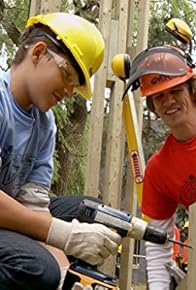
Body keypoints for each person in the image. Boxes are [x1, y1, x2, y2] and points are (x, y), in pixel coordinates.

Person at [0, 12, 122, 290]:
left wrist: (66, 274)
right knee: (35, 269)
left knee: (91, 212)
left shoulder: (45, 125)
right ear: (39, 52)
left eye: (76, 85)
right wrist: (65, 236)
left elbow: (34, 206)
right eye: (67, 75)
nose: (69, 90)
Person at [123, 45, 196, 289]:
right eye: (159, 96)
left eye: (175, 91)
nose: (168, 102)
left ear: (192, 90)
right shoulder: (159, 170)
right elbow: (158, 245)